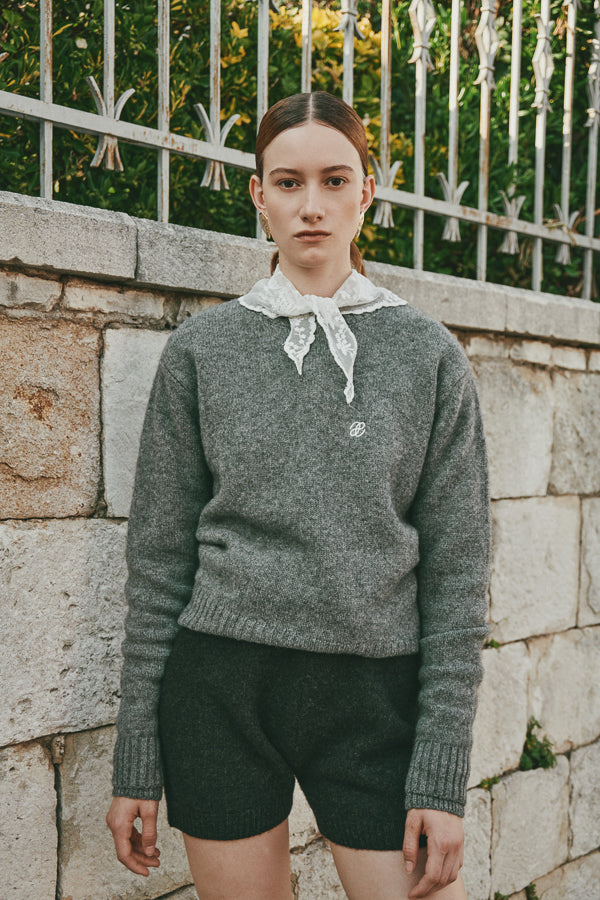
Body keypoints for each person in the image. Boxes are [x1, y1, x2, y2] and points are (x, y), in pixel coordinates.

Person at [106, 91, 491, 900]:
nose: (311, 206)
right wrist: (137, 756)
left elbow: (458, 577)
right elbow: (158, 563)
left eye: (334, 180)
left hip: (374, 700)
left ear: (367, 192)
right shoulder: (201, 351)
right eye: (288, 182)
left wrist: (440, 775)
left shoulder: (429, 357)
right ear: (259, 194)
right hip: (221, 693)